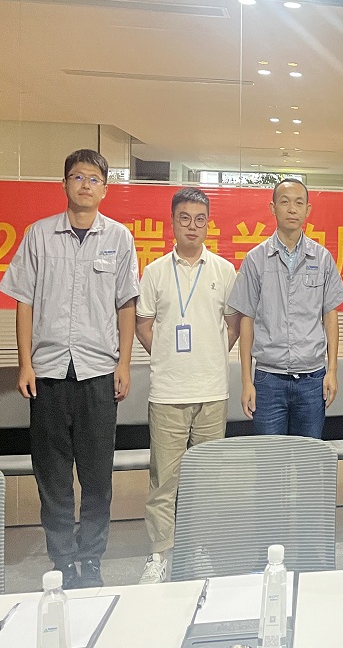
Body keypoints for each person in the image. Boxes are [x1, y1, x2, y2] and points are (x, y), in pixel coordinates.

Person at [0, 149, 139, 589]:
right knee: (53, 477)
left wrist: (124, 363)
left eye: (94, 178)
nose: (85, 185)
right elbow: (24, 301)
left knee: (97, 478)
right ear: (64, 184)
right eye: (77, 177)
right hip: (48, 374)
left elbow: (127, 305)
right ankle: (62, 561)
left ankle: (91, 561)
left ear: (105, 188)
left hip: (98, 373)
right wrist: (25, 364)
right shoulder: (39, 236)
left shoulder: (119, 238)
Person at [134, 188, 239, 584]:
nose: (192, 226)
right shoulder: (155, 272)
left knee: (207, 481)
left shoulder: (224, 271)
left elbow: (232, 326)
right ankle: (159, 554)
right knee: (164, 481)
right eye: (184, 218)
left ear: (208, 224)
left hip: (212, 392)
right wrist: (167, 355)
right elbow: (144, 325)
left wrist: (210, 356)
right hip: (168, 394)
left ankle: (200, 549)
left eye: (199, 219)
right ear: (172, 222)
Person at [229, 178, 343, 437]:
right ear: (273, 208)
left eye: (299, 203)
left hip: (312, 379)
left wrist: (332, 371)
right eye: (285, 202)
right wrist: (246, 380)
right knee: (271, 457)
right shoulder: (255, 259)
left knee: (309, 455)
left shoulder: (322, 258)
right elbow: (246, 320)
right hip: (268, 379)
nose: (292, 209)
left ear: (308, 210)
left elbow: (330, 316)